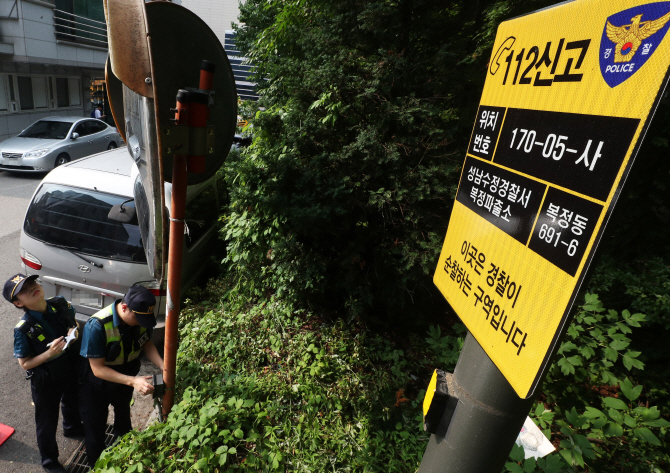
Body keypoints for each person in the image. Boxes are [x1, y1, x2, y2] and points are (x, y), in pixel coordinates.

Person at [4, 274, 83, 473]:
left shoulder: (59, 304)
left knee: (72, 397)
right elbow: (25, 363)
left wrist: (74, 333)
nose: (32, 288)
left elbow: (74, 323)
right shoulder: (23, 329)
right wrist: (49, 353)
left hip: (68, 365)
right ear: (18, 303)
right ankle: (49, 462)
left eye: (32, 283)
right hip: (45, 377)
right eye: (24, 290)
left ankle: (72, 427)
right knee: (47, 421)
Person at [79, 285, 163, 468]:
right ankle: (97, 467)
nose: (140, 323)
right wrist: (133, 381)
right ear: (124, 307)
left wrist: (163, 365)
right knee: (95, 430)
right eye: (137, 318)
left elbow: (146, 343)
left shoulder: (140, 320)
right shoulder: (97, 325)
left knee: (123, 420)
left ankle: (124, 458)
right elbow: (98, 369)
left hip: (124, 379)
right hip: (96, 384)